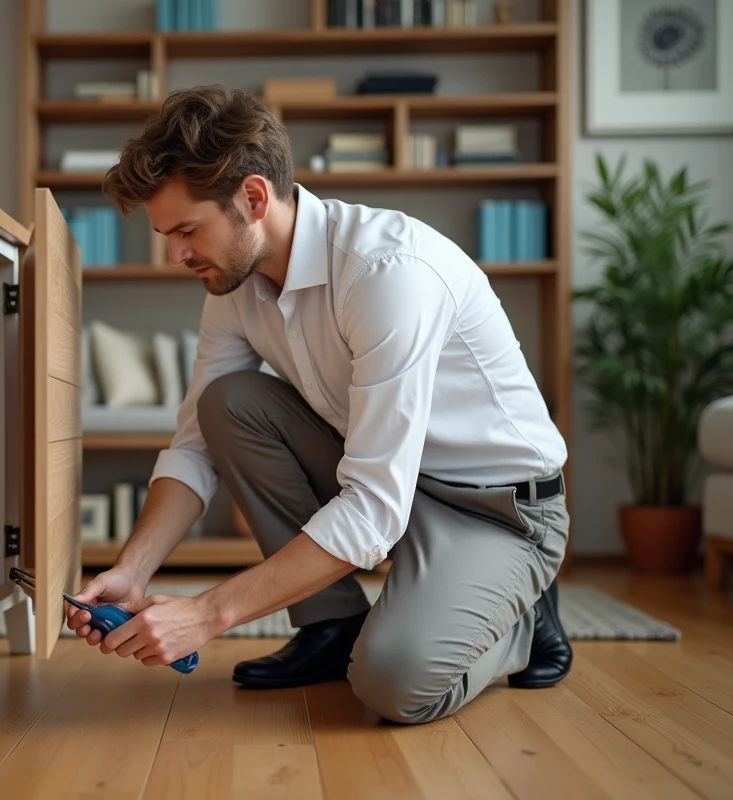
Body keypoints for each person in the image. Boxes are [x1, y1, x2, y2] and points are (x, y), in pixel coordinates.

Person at [64, 85, 572, 725]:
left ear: (253, 198)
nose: (177, 255)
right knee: (229, 403)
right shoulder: (234, 285)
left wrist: (207, 612)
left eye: (187, 230)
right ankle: (330, 626)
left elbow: (372, 508)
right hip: (398, 488)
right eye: (168, 235)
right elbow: (196, 442)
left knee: (392, 684)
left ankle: (521, 617)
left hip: (498, 510)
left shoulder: (387, 274)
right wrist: (133, 569)